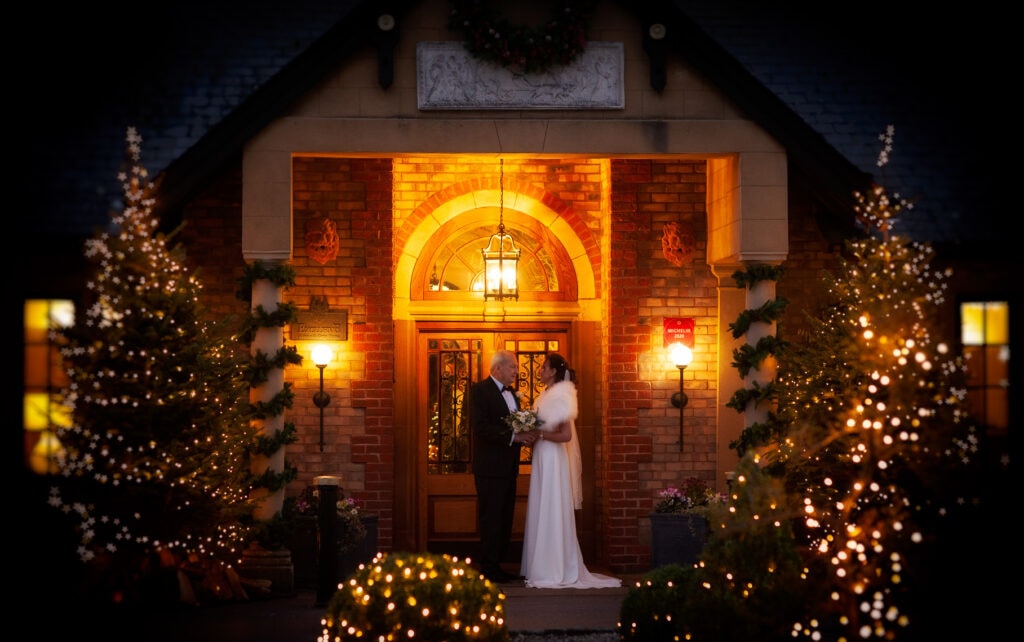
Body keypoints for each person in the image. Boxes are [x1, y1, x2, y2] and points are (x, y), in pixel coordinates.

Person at [520, 353, 621, 589]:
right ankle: (540, 562)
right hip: (542, 455)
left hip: (554, 457)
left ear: (554, 371)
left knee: (551, 505)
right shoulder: (542, 395)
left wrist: (541, 434)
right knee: (540, 504)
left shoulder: (562, 396)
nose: (540, 371)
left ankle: (554, 566)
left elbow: (565, 435)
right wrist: (530, 435)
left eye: (544, 367)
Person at [470, 349, 538, 583]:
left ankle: (498, 564)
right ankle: (488, 568)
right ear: (498, 368)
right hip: (489, 468)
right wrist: (513, 437)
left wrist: (526, 433)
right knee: (492, 518)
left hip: (509, 468)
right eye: (513, 366)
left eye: (517, 367)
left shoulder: (514, 395)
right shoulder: (480, 391)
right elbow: (480, 428)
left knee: (505, 517)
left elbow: (515, 426)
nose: (517, 371)